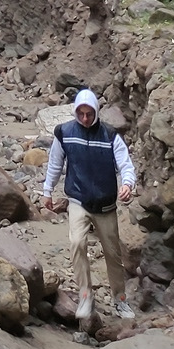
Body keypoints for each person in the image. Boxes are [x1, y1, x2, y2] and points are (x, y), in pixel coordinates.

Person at [41, 86, 137, 334]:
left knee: (113, 254)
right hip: (78, 201)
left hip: (105, 204)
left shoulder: (110, 135)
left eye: (89, 113)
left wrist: (128, 184)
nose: (85, 118)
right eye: (81, 113)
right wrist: (47, 191)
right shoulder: (64, 133)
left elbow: (125, 164)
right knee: (77, 242)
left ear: (95, 112)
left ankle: (120, 299)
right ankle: (85, 296)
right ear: (75, 112)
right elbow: (55, 163)